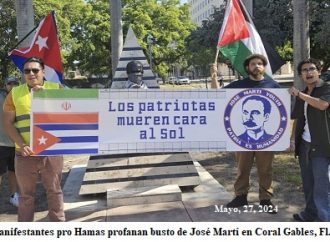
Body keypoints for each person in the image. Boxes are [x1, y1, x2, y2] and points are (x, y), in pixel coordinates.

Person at [211, 54, 280, 213]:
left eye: (260, 64)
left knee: (266, 169)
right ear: (247, 68)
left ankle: (265, 199)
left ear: (263, 67)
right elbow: (217, 95)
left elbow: (280, 109)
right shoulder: (238, 85)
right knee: (242, 168)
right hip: (241, 138)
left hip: (267, 139)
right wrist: (214, 76)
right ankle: (240, 196)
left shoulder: (273, 86)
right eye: (253, 64)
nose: (256, 66)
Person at [3, 57, 65, 222]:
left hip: (51, 152)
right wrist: (22, 145)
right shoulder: (14, 94)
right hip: (24, 153)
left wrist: (46, 97)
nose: (31, 73)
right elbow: (7, 123)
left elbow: (71, 114)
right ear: (23, 74)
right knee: (25, 195)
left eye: (35, 70)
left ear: (43, 72)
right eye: (27, 71)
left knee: (54, 191)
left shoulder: (58, 89)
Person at [289, 58, 330, 222]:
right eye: (304, 70)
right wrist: (293, 140)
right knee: (308, 183)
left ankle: (324, 221)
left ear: (319, 71)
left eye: (312, 69)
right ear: (301, 75)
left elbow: (322, 105)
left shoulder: (326, 88)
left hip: (322, 145)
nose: (309, 72)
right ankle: (310, 214)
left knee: (322, 186)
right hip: (305, 145)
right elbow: (299, 119)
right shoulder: (304, 92)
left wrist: (300, 94)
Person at [0, 77, 20, 207]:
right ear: (5, 85)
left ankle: (14, 195)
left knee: (14, 171)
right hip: (1, 143)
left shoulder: (23, 96)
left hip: (17, 144)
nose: (12, 86)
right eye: (9, 83)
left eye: (15, 83)